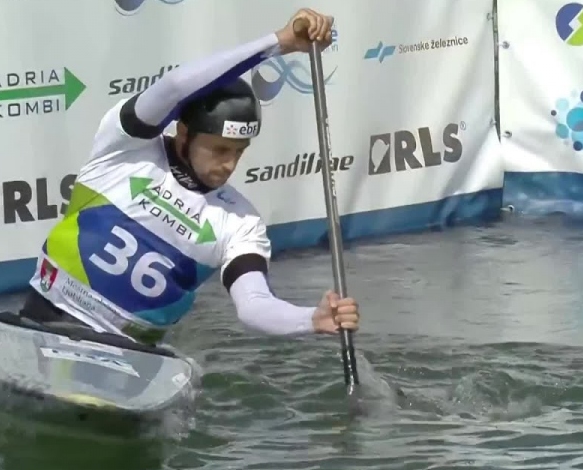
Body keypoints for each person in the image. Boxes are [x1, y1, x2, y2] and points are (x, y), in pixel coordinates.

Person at [19, 8, 360, 347]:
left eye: (239, 151)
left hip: (128, 352)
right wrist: (280, 42)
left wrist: (310, 320)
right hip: (46, 316)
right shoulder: (125, 148)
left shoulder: (241, 223)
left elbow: (255, 306)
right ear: (184, 134)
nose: (229, 165)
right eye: (219, 149)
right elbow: (175, 86)